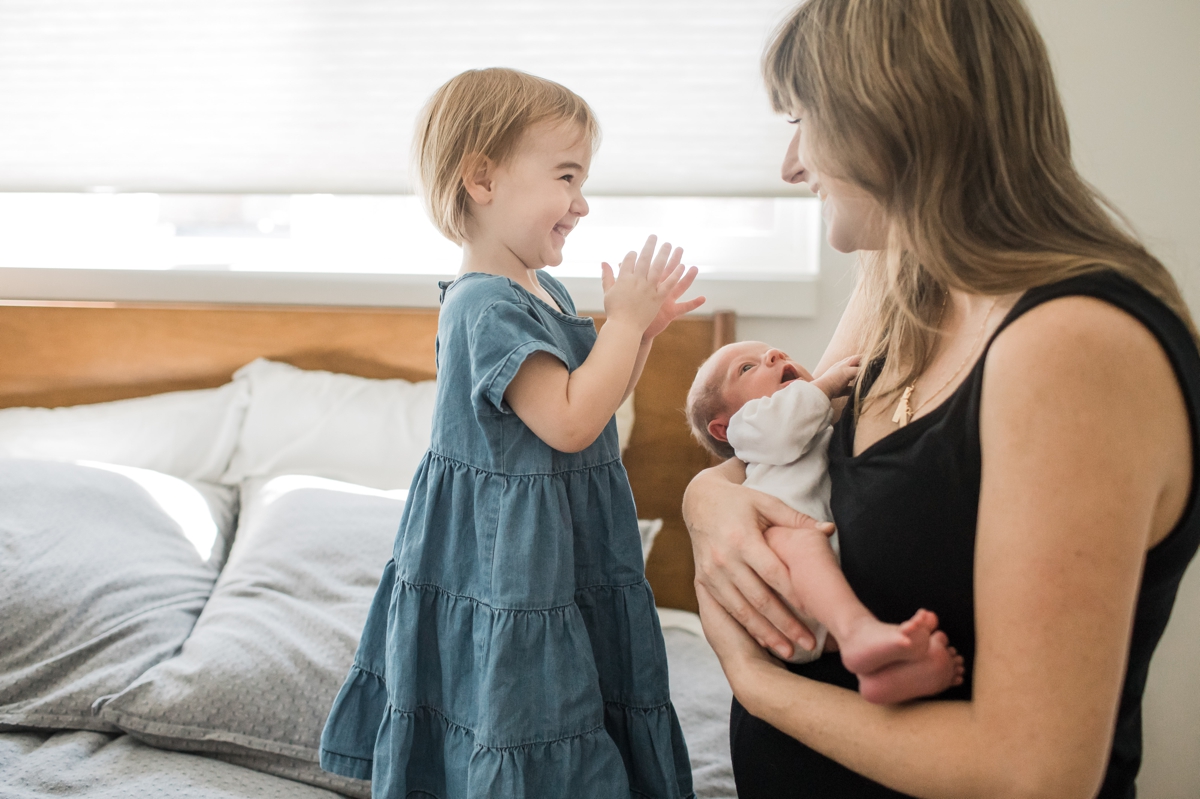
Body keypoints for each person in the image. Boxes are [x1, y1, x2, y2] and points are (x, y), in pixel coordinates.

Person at [683, 1, 1200, 797]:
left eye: (802, 120)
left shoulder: (1073, 345)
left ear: (886, 118)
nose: (791, 164)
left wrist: (757, 686)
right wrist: (701, 497)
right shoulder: (901, 281)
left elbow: (1032, 773)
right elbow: (788, 452)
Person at [319, 68, 701, 799]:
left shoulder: (542, 289)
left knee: (575, 691)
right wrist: (619, 322)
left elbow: (597, 401)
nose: (582, 203)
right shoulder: (481, 307)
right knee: (522, 704)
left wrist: (638, 337)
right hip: (511, 560)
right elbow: (567, 421)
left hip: (561, 545)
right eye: (566, 176)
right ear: (483, 178)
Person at [686, 341, 964, 703]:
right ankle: (857, 634)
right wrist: (828, 385)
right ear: (723, 430)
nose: (774, 356)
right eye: (746, 368)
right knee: (800, 539)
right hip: (775, 567)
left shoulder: (817, 430)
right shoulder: (750, 430)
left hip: (809, 601)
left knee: (823, 559)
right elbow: (784, 426)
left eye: (776, 352)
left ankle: (884, 672)